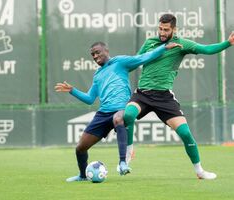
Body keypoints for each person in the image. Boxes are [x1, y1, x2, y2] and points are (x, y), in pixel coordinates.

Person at [123, 14, 234, 180]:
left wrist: (228, 43)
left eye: (166, 29)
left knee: (186, 134)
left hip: (164, 98)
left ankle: (200, 171)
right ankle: (129, 151)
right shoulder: (150, 43)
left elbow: (206, 49)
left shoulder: (182, 44)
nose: (162, 32)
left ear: (174, 29)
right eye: (160, 28)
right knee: (128, 115)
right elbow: (135, 61)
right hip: (142, 94)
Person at [55, 41, 182, 182]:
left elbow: (143, 58)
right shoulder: (97, 75)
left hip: (122, 109)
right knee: (80, 148)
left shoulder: (120, 62)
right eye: (92, 55)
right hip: (103, 114)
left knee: (118, 118)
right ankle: (83, 176)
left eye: (98, 52)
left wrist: (163, 48)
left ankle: (123, 162)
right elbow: (90, 99)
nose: (95, 56)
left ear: (106, 51)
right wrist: (72, 90)